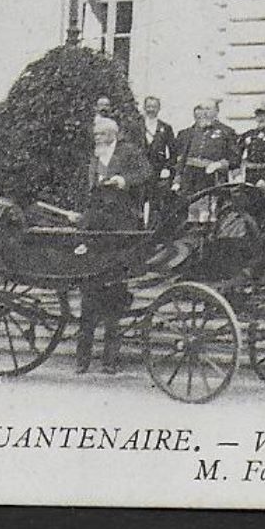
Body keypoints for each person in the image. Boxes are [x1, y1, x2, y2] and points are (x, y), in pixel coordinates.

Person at [75, 116, 152, 375]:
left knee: (114, 301)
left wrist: (123, 180)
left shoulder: (128, 151)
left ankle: (109, 360)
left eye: (100, 134)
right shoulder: (95, 157)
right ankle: (82, 360)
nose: (96, 138)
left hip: (121, 227)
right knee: (88, 297)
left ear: (112, 134)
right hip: (97, 227)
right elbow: (89, 190)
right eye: (95, 135)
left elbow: (146, 173)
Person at [173, 100, 238, 211]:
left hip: (212, 178)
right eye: (203, 109)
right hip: (190, 178)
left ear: (217, 111)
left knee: (210, 211)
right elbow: (184, 157)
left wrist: (219, 164)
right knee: (189, 209)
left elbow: (235, 159)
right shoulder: (193, 132)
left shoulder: (226, 132)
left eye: (208, 109)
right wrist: (177, 178)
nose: (205, 113)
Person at [133, 95, 178, 189]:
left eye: (154, 107)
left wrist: (166, 168)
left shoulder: (166, 128)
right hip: (138, 170)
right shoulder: (136, 126)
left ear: (159, 108)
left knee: (156, 199)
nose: (151, 109)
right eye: (148, 106)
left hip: (158, 171)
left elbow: (173, 152)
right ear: (144, 107)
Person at [238, 104, 265, 184]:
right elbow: (237, 152)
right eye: (259, 115)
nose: (261, 118)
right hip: (250, 173)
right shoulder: (249, 134)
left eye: (264, 115)